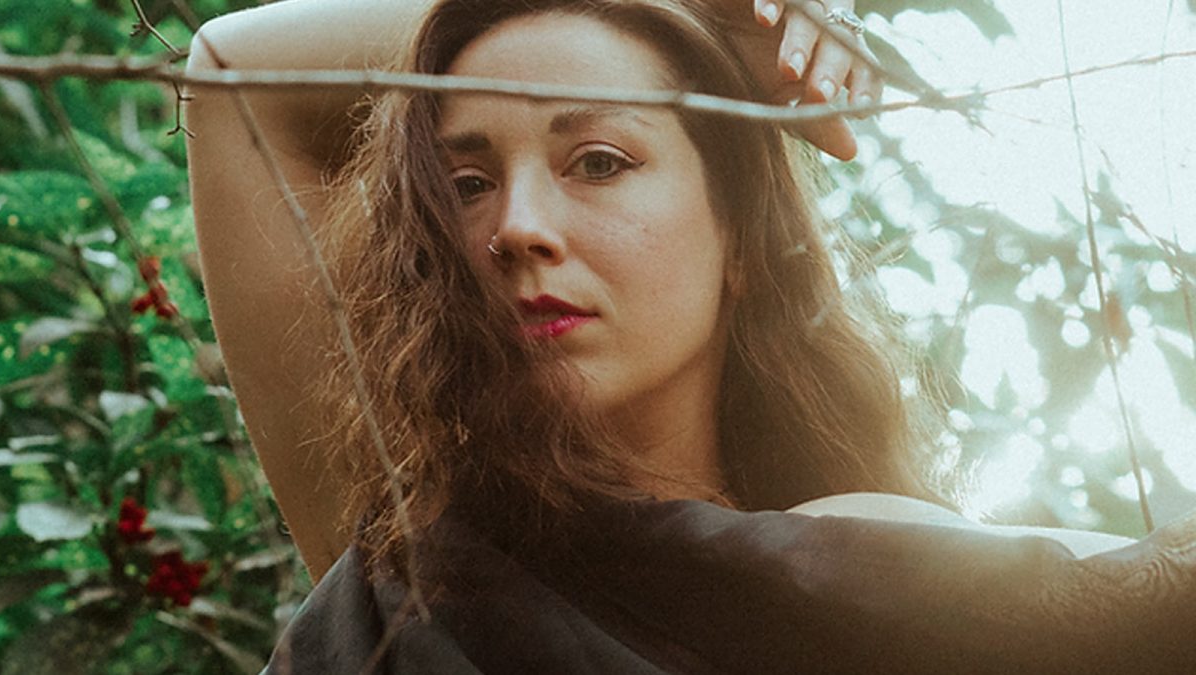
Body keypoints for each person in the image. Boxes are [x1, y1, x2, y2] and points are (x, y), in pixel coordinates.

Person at [185, 0, 1195, 671]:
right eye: (468, 183)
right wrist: (685, 6)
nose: (517, 227)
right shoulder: (421, 581)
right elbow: (233, 69)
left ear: (738, 240)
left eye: (599, 161)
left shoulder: (872, 570)